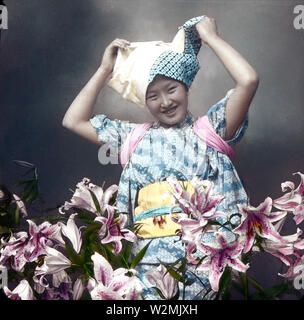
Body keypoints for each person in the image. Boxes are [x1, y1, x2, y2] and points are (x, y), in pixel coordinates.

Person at [62, 15, 259, 299]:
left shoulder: (211, 130)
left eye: (171, 89)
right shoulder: (134, 138)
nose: (165, 102)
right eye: (153, 96)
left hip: (204, 265)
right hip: (149, 268)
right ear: (145, 102)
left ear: (186, 88)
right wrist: (105, 69)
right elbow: (73, 120)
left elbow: (248, 80)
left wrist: (212, 38)